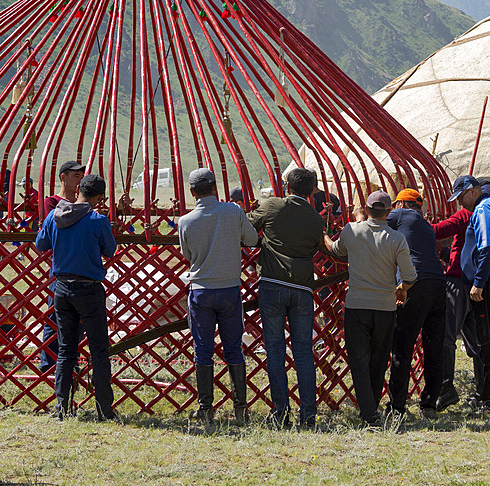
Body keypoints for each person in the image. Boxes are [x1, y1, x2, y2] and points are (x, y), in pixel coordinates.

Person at [325, 190, 416, 426]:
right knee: (378, 361)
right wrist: (402, 289)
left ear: (366, 209)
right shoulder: (396, 239)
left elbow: (335, 250)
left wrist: (322, 236)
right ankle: (372, 407)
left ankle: (368, 413)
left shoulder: (351, 230)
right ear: (389, 211)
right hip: (385, 308)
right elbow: (410, 276)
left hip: (357, 307)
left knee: (358, 361)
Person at [34, 174, 118, 421]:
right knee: (99, 349)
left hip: (61, 289)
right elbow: (110, 250)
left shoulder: (54, 216)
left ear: (79, 189)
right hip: (89, 289)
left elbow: (41, 244)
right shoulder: (97, 220)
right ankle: (104, 409)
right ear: (99, 197)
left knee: (65, 350)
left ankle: (62, 408)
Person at [178, 168, 259, 424]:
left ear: (192, 193)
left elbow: (188, 255)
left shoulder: (185, 221)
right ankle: (240, 410)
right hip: (229, 289)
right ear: (215, 188)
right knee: (234, 348)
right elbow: (253, 239)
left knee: (202, 350)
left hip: (201, 290)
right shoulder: (233, 212)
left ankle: (206, 410)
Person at [248, 167, 327, 427]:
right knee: (304, 351)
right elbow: (318, 245)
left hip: (272, 284)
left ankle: (280, 412)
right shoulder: (317, 219)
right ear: (312, 190)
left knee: (274, 349)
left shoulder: (272, 206)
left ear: (287, 186)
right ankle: (309, 414)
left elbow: (246, 225)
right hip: (303, 288)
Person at [434, 179, 490, 412]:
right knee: (486, 343)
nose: (459, 202)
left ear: (473, 191)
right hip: (487, 283)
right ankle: (486, 396)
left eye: (461, 196)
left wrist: (479, 282)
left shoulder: (484, 208)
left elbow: (488, 246)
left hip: (486, 284)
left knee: (488, 344)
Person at [386, 188, 446, 419]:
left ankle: (397, 407)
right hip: (438, 284)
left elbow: (375, 225)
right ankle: (429, 404)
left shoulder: (400, 215)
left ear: (401, 204)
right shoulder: (424, 224)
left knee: (403, 344)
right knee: (434, 345)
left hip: (415, 284)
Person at [39, 160, 86, 373]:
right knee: (53, 316)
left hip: (81, 268)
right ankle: (48, 364)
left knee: (79, 320)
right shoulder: (52, 202)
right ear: (63, 177)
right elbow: (58, 224)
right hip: (59, 268)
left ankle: (70, 362)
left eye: (81, 176)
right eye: (75, 176)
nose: (79, 180)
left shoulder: (83, 205)